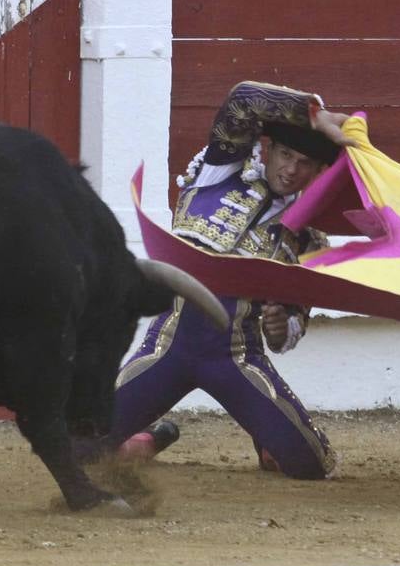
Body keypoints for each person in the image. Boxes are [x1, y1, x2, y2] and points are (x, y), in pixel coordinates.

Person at [101, 81, 351, 479]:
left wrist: (280, 326)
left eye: (304, 163)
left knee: (311, 466)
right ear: (269, 149)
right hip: (167, 347)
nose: (291, 170)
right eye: (286, 155)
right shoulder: (221, 172)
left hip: (236, 358)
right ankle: (146, 439)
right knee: (78, 444)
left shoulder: (307, 239)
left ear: (319, 171)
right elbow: (243, 100)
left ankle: (265, 436)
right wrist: (313, 114)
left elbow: (289, 333)